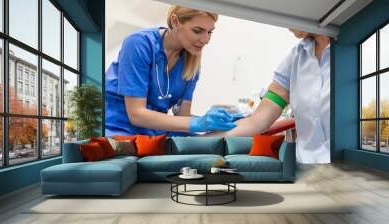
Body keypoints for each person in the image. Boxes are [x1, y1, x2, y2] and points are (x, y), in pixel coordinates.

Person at [105, 5, 237, 137]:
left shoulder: (191, 61)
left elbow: (182, 117)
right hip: (119, 127)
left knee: (214, 144)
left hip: (154, 132)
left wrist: (217, 123)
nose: (205, 40)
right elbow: (136, 114)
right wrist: (199, 123)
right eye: (198, 31)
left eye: (210, 32)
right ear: (175, 22)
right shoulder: (139, 44)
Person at [220, 29, 331, 164]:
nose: (287, 26)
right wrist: (197, 137)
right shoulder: (296, 56)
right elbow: (257, 122)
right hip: (304, 169)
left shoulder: (352, 49)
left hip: (347, 170)